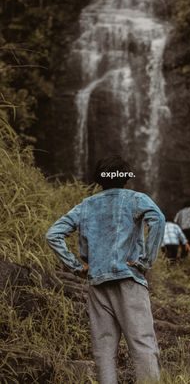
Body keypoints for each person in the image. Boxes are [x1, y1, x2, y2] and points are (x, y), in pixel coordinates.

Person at [46, 155, 165, 384]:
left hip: (97, 283)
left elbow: (53, 234)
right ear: (126, 178)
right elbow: (158, 219)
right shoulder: (136, 199)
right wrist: (145, 262)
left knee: (103, 350)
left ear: (99, 179)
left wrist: (76, 267)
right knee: (142, 344)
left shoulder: (86, 205)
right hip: (129, 280)